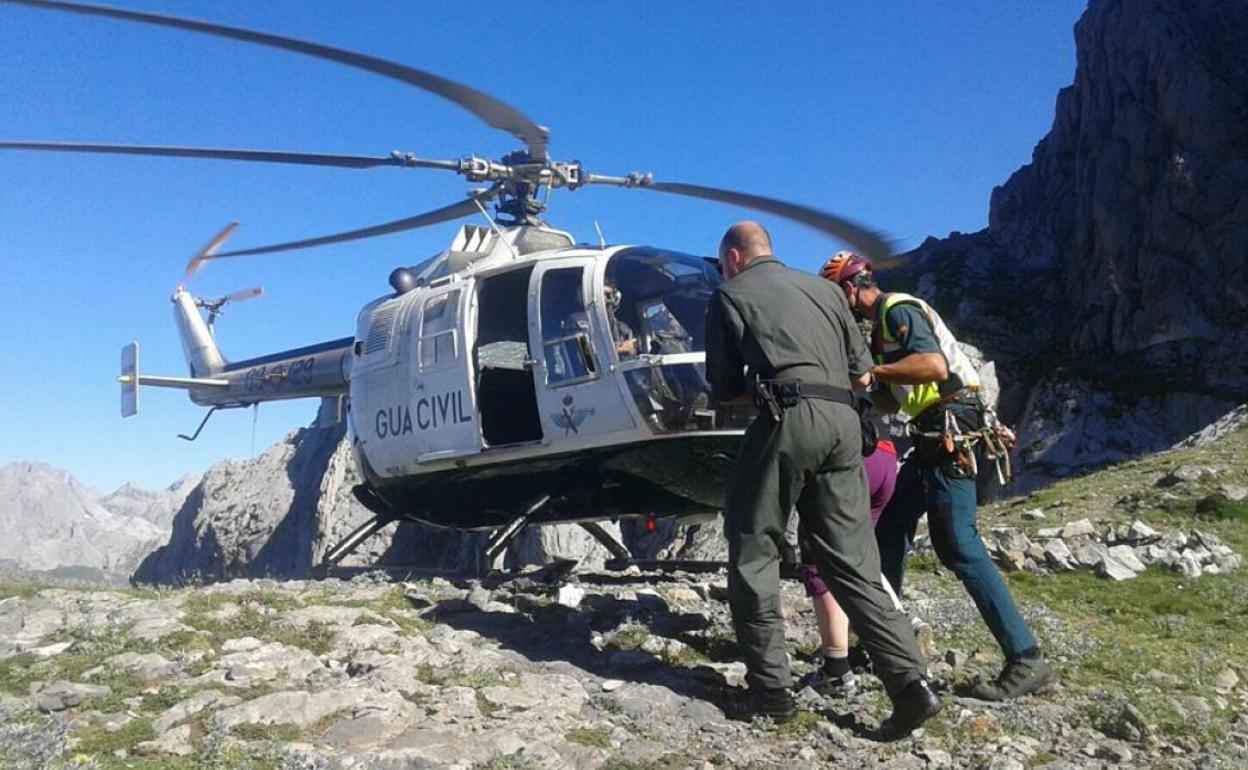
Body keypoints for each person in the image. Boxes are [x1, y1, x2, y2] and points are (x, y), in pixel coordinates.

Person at [705, 221, 941, 734]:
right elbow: (861, 372)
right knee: (854, 561)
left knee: (753, 545)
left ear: (734, 258)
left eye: (724, 261)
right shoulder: (827, 293)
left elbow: (722, 387)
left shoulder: (730, 293)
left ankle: (771, 692)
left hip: (787, 419)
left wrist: (772, 384)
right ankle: (909, 683)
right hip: (846, 427)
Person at [821, 251, 1055, 701]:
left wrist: (872, 373)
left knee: (959, 545)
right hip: (931, 433)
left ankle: (1025, 656)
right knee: (889, 531)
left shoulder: (896, 309)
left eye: (840, 298)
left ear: (851, 289)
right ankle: (884, 641)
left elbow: (933, 367)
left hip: (951, 428)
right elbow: (893, 398)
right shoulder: (882, 332)